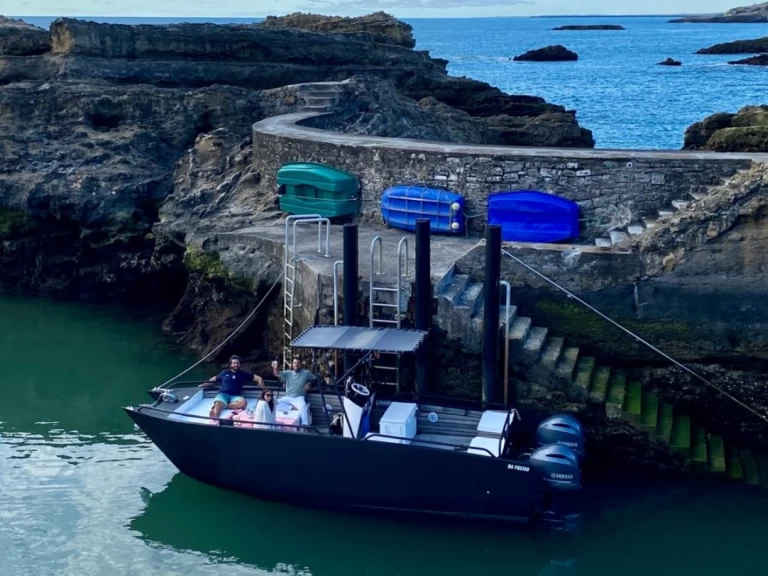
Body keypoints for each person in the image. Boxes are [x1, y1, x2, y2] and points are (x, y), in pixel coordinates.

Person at [200, 355, 264, 419]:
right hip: (223, 394)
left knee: (243, 403)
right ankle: (215, 416)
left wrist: (260, 380)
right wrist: (204, 385)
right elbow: (214, 379)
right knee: (218, 403)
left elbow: (257, 378)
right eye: (234, 363)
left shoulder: (243, 374)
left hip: (236, 396)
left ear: (239, 364)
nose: (236, 365)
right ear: (231, 364)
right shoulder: (224, 373)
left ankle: (223, 406)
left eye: (237, 363)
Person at [271, 357, 316, 425]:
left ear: (301, 364)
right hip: (288, 397)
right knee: (274, 403)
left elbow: (315, 380)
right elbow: (276, 374)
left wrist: (309, 384)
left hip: (299, 398)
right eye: (294, 363)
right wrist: (274, 366)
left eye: (298, 363)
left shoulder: (306, 373)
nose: (296, 364)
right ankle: (292, 407)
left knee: (303, 407)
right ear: (292, 364)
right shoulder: (288, 373)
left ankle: (305, 425)